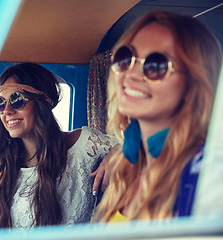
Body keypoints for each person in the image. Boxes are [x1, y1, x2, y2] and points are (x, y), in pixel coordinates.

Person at [92, 11, 222, 222]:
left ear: (194, 85)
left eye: (156, 65)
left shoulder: (211, 174)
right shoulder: (126, 165)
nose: (132, 74)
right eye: (126, 58)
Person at [0, 62, 117, 233]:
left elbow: (143, 146)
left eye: (16, 100)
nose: (6, 110)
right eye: (0, 103)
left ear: (43, 103)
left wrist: (118, 155)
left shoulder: (85, 144)